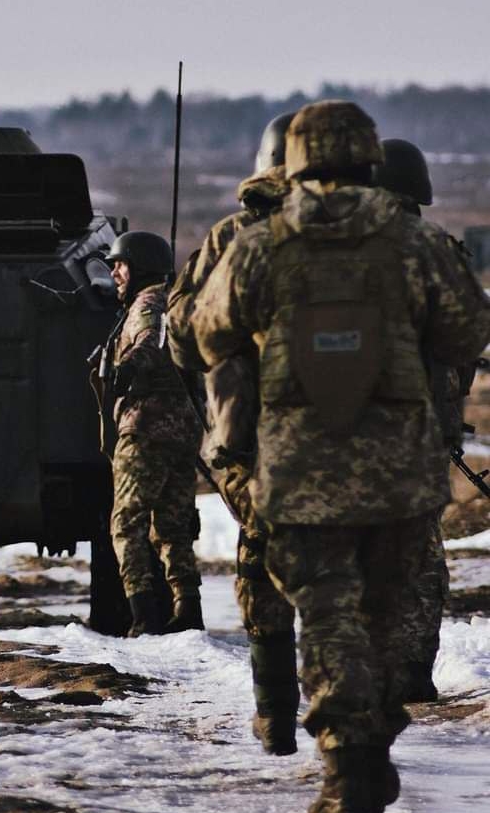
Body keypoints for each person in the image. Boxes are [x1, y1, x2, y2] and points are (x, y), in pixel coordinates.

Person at [192, 100, 490, 812]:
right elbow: (466, 332)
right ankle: (371, 747)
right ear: (369, 155)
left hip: (298, 472)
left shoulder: (261, 244)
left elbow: (205, 333)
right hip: (400, 472)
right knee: (383, 615)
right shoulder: (414, 241)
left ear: (294, 159)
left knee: (328, 617)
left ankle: (347, 761)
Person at [167, 113, 300, 756]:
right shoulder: (381, 233)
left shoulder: (233, 238)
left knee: (263, 566)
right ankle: (363, 720)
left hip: (260, 442)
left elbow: (184, 339)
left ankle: (276, 713)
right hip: (369, 442)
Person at [373, 137, 478, 703]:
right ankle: (413, 669)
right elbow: (469, 341)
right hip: (427, 428)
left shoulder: (351, 250)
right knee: (419, 547)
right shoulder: (443, 252)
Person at [100, 231, 203, 637]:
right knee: (173, 526)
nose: (114, 273)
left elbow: (150, 338)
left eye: (120, 264)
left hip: (146, 428)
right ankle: (187, 607)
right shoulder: (175, 303)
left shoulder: (149, 303)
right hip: (182, 429)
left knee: (126, 523)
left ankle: (143, 616)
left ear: (140, 267)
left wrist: (128, 367)